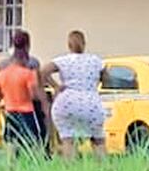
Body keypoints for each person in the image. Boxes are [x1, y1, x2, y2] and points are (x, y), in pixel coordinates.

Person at [40, 30, 107, 159]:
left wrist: (55, 86)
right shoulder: (95, 60)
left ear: (69, 45)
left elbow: (43, 71)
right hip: (91, 102)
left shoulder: (63, 60)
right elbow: (106, 76)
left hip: (67, 102)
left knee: (68, 140)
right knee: (98, 141)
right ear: (84, 44)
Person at [0, 31, 47, 152]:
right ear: (28, 45)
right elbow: (36, 90)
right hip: (28, 110)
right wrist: (44, 105)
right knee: (35, 141)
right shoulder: (32, 65)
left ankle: (10, 169)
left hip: (10, 110)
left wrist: (1, 98)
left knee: (12, 143)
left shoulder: (2, 66)